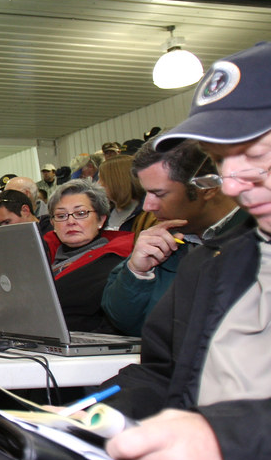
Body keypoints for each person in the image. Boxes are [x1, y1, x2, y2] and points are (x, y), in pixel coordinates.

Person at [0, 40, 271, 460]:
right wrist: (84, 416)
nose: (233, 184)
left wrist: (232, 442)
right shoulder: (217, 258)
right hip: (190, 459)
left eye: (256, 154)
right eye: (223, 162)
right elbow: (158, 371)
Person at [101, 139, 248, 336]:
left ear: (208, 187)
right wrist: (136, 273)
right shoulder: (163, 241)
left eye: (159, 194)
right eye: (146, 193)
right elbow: (122, 321)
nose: (148, 206)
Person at [42, 179, 133, 332]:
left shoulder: (116, 262)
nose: (70, 221)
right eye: (61, 215)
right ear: (53, 223)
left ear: (101, 219)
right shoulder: (41, 255)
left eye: (81, 213)